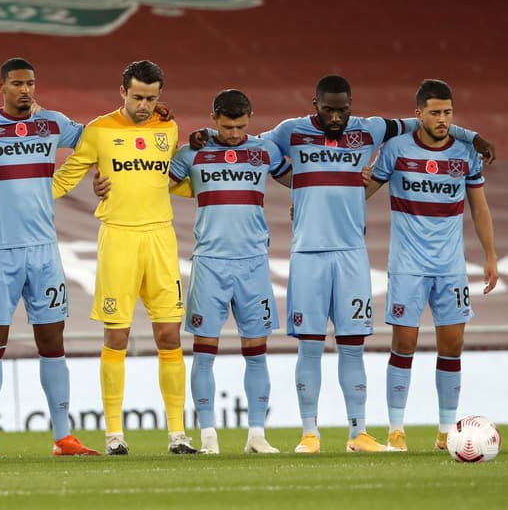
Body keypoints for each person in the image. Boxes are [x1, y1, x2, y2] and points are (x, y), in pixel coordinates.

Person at [246, 74, 493, 453]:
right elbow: (248, 146)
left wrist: (471, 136)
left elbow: (423, 122)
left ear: (351, 105)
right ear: (314, 104)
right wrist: (298, 185)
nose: (335, 116)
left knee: (352, 345)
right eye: (328, 108)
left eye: (342, 109)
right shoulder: (289, 131)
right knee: (310, 347)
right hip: (308, 253)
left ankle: (358, 433)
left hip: (352, 255)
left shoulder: (371, 129)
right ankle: (309, 434)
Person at [0, 57, 99, 459]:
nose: (26, 90)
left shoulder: (52, 124)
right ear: (1, 86)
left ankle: (64, 437)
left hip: (44, 250)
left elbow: (99, 140)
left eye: (30, 83)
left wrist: (104, 174)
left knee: (52, 341)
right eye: (17, 84)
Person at [51, 59, 197, 455]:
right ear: (123, 92)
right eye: (138, 97)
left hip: (160, 239)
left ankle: (178, 435)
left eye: (152, 98)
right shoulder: (99, 130)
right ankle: (114, 435)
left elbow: (169, 179)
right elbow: (68, 175)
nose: (145, 105)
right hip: (117, 238)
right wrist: (29, 200)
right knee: (116, 336)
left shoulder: (168, 129)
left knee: (170, 335)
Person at [365, 79, 497, 452]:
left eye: (447, 112)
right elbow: (366, 190)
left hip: (451, 266)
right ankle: (396, 429)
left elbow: (479, 207)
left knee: (452, 346)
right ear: (418, 112)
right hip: (407, 264)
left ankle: (445, 432)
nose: (442, 119)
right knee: (403, 342)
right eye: (435, 112)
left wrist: (489, 255)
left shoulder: (466, 153)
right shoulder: (396, 149)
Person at [166, 89, 291, 454]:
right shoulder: (192, 152)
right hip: (210, 263)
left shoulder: (265, 151)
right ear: (214, 118)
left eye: (240, 126)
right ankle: (208, 437)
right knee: (204, 353)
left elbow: (298, 180)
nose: (234, 133)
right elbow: (157, 186)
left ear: (249, 118)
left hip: (253, 263)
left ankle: (256, 436)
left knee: (256, 351)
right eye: (227, 126)